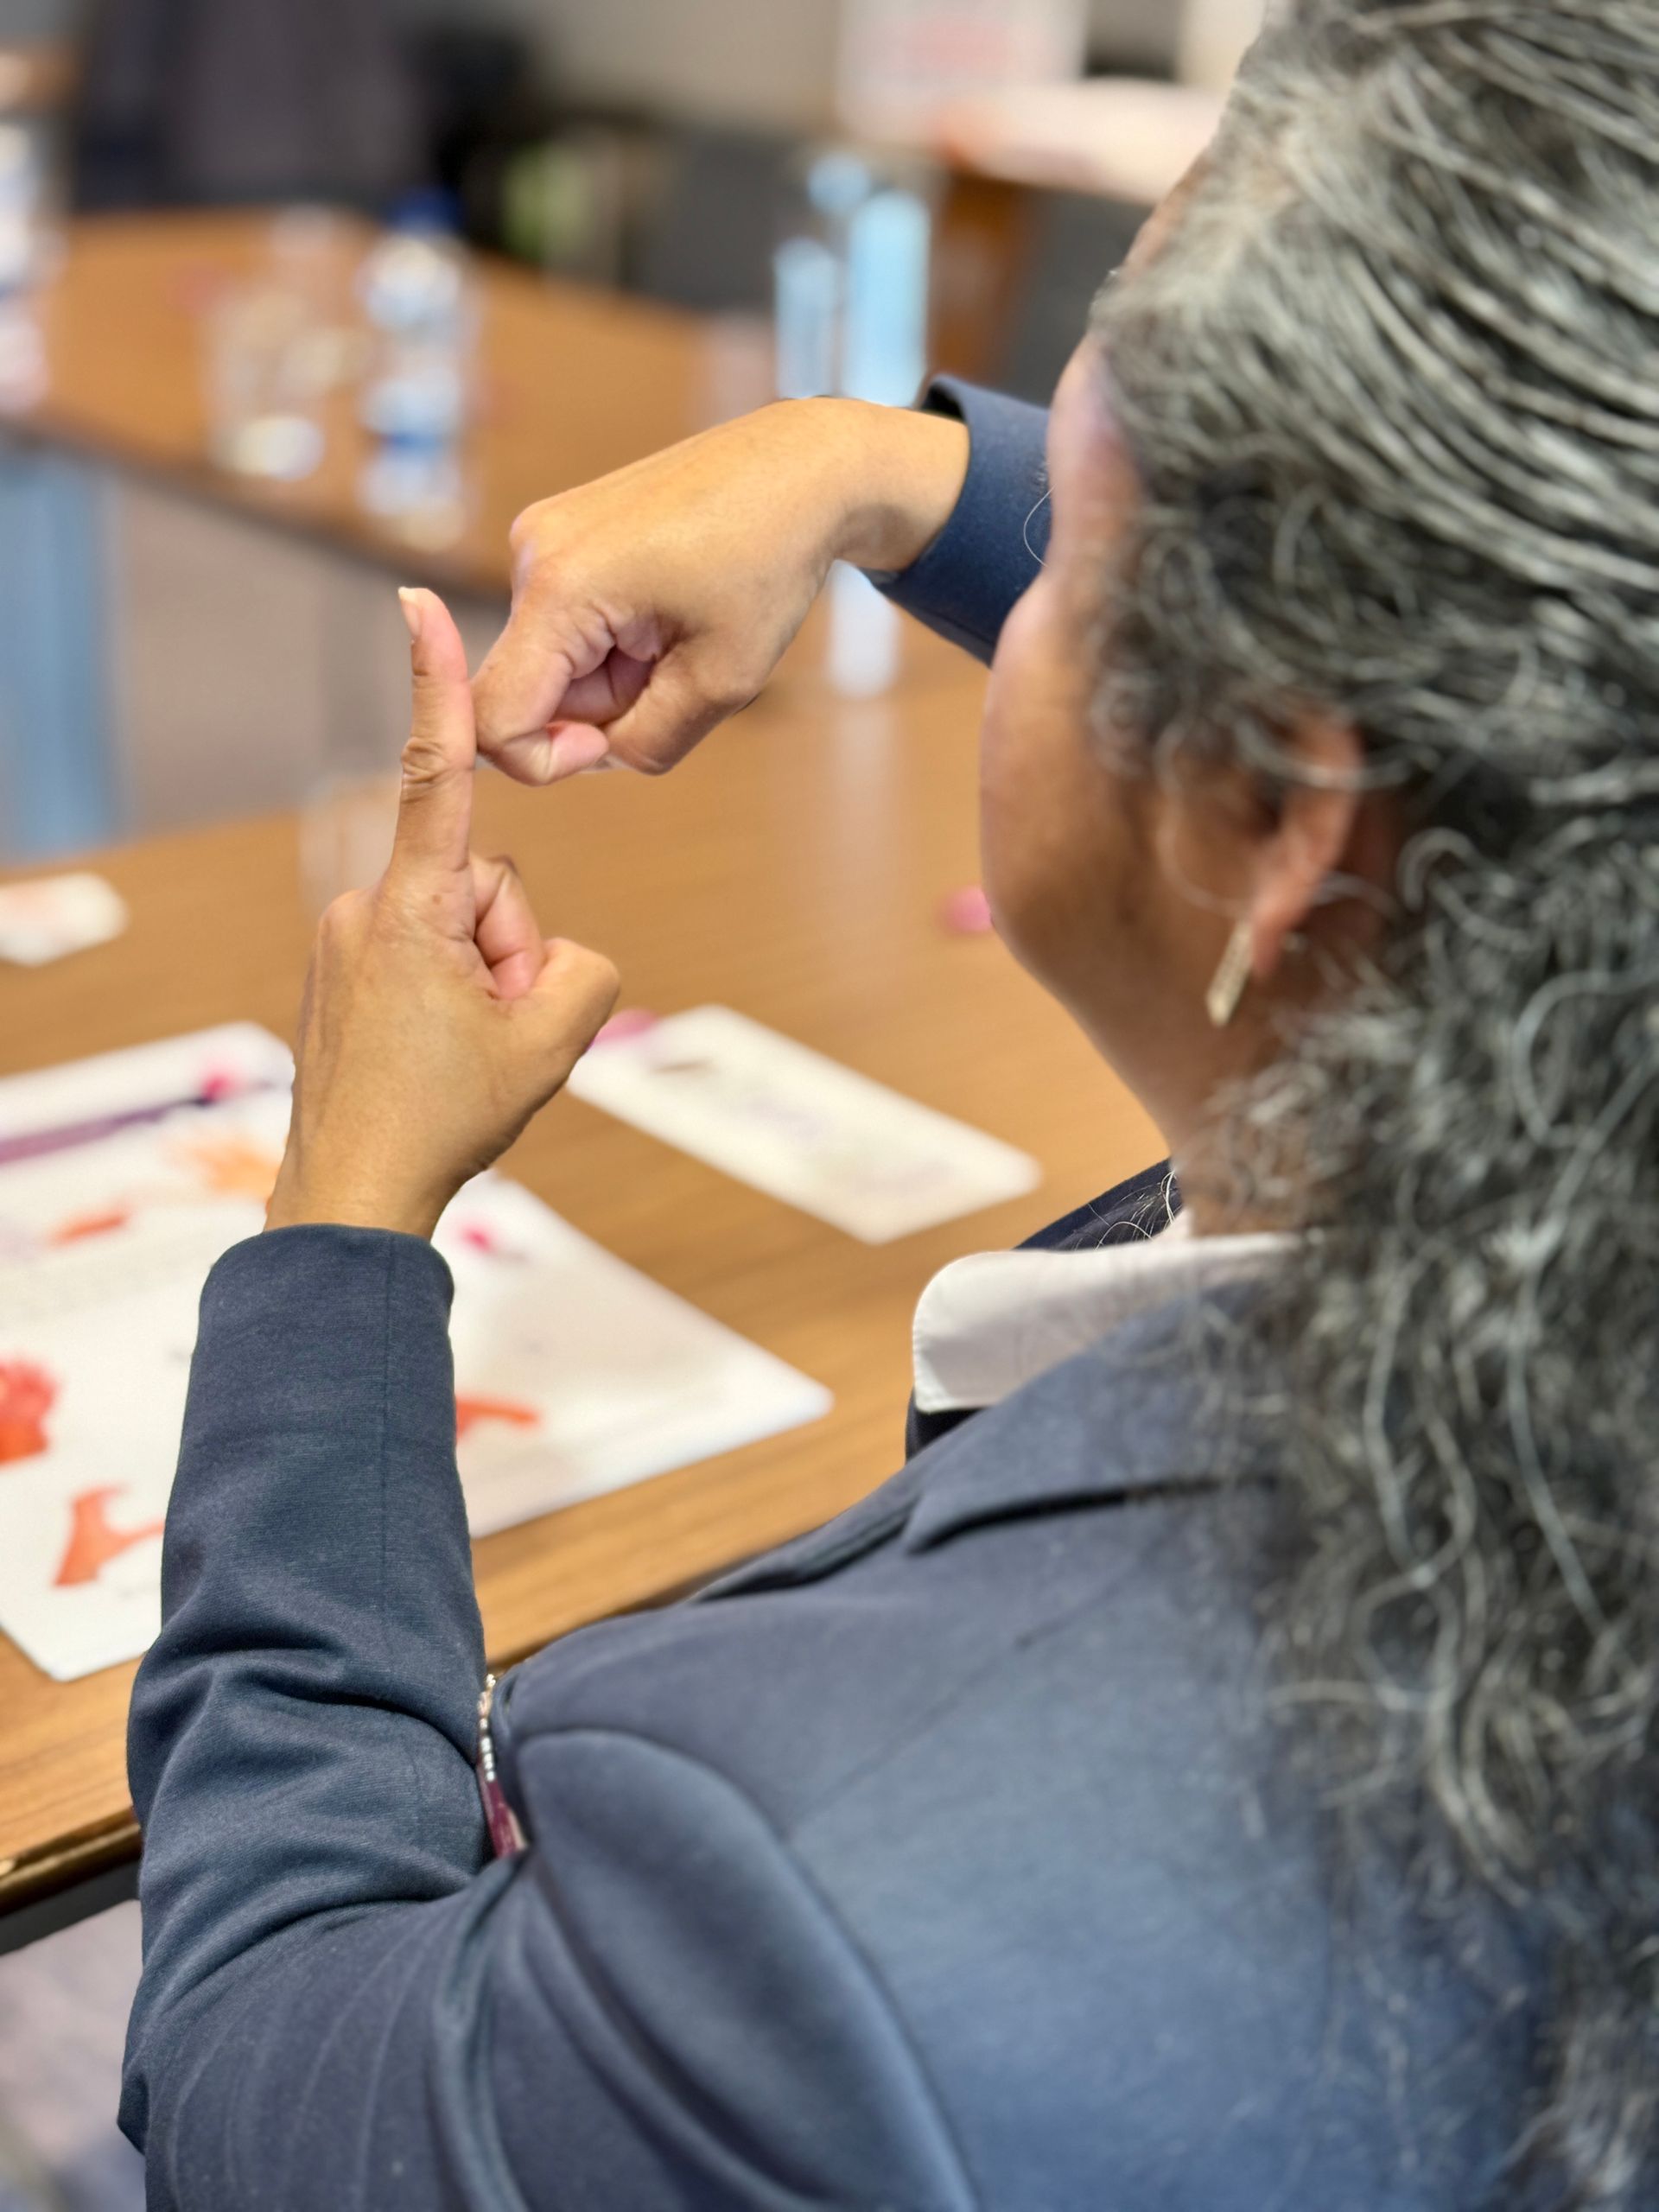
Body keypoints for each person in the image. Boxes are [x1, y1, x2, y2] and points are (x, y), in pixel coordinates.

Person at [121, 4, 1659, 2206]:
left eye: (1077, 547)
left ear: (1280, 813)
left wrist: (341, 1232)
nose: (1023, 575)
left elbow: (267, 2066)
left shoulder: (827, 1901)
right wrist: (877, 468)